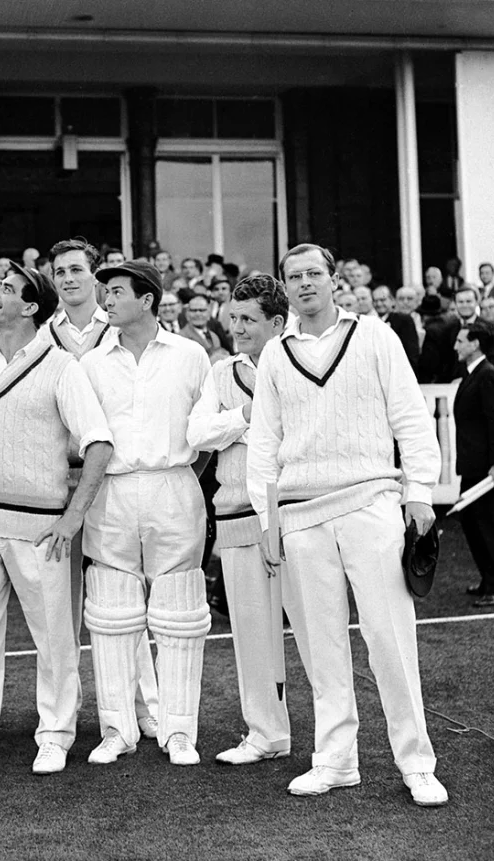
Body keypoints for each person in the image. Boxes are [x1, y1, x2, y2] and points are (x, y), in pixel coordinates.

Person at [247, 242, 447, 807]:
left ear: (334, 279)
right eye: (294, 276)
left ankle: (417, 764)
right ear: (284, 287)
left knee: (389, 638)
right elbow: (263, 443)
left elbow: (410, 415)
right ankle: (335, 762)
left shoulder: (376, 336)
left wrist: (420, 494)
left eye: (314, 273)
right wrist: (268, 520)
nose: (305, 283)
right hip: (301, 514)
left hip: (370, 502)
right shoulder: (275, 355)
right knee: (321, 645)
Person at [0, 263, 113, 775]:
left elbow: (98, 442)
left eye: (6, 290)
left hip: (40, 526)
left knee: (54, 635)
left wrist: (73, 516)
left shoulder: (62, 367)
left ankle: (55, 734)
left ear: (31, 307)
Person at [80, 259, 215, 768]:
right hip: (112, 491)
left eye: (115, 292)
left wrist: (175, 480)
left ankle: (179, 732)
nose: (106, 301)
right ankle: (117, 729)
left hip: (173, 485)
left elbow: (202, 437)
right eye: (105, 292)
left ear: (148, 300)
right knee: (111, 614)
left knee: (180, 613)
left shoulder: (189, 355)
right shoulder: (93, 363)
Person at [44, 237, 162, 741]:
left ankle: (145, 707)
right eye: (59, 271)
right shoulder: (39, 335)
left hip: (110, 480)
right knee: (60, 610)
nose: (68, 279)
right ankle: (64, 720)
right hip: (54, 480)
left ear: (95, 278)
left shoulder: (119, 328)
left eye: (76, 270)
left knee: (124, 599)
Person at [186, 273, 291, 767]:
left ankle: (337, 748)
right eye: (233, 318)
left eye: (248, 319)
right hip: (235, 514)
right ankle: (266, 733)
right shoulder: (221, 370)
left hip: (293, 512)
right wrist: (245, 418)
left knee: (315, 633)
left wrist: (245, 425)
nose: (238, 328)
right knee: (250, 631)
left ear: (276, 322)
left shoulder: (296, 361)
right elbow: (199, 432)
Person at [452, 322, 494, 608]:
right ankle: (488, 580)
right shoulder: (473, 375)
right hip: (473, 465)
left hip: (488, 468)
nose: (456, 346)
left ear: (475, 344)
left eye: (461, 341)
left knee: (489, 526)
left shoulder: (488, 376)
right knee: (474, 524)